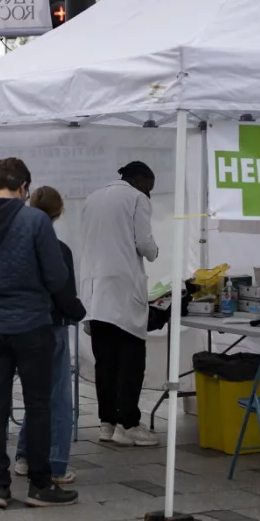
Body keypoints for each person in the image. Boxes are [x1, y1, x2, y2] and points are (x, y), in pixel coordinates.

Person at [0, 157, 77, 509]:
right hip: (32, 324)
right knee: (38, 404)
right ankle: (39, 484)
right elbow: (55, 276)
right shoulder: (35, 220)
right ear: (24, 188)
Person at [79, 162, 161, 447]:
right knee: (130, 362)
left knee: (106, 362)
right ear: (140, 180)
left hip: (94, 291)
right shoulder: (136, 198)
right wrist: (155, 251)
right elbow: (145, 244)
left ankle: (107, 423)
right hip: (122, 291)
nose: (150, 193)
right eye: (150, 187)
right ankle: (128, 423)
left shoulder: (93, 198)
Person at [14, 186, 86, 484]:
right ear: (59, 213)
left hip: (21, 325)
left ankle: (23, 454)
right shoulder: (59, 249)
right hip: (53, 325)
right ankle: (55, 461)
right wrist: (79, 311)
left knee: (35, 394)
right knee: (57, 397)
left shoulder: (17, 244)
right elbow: (64, 293)